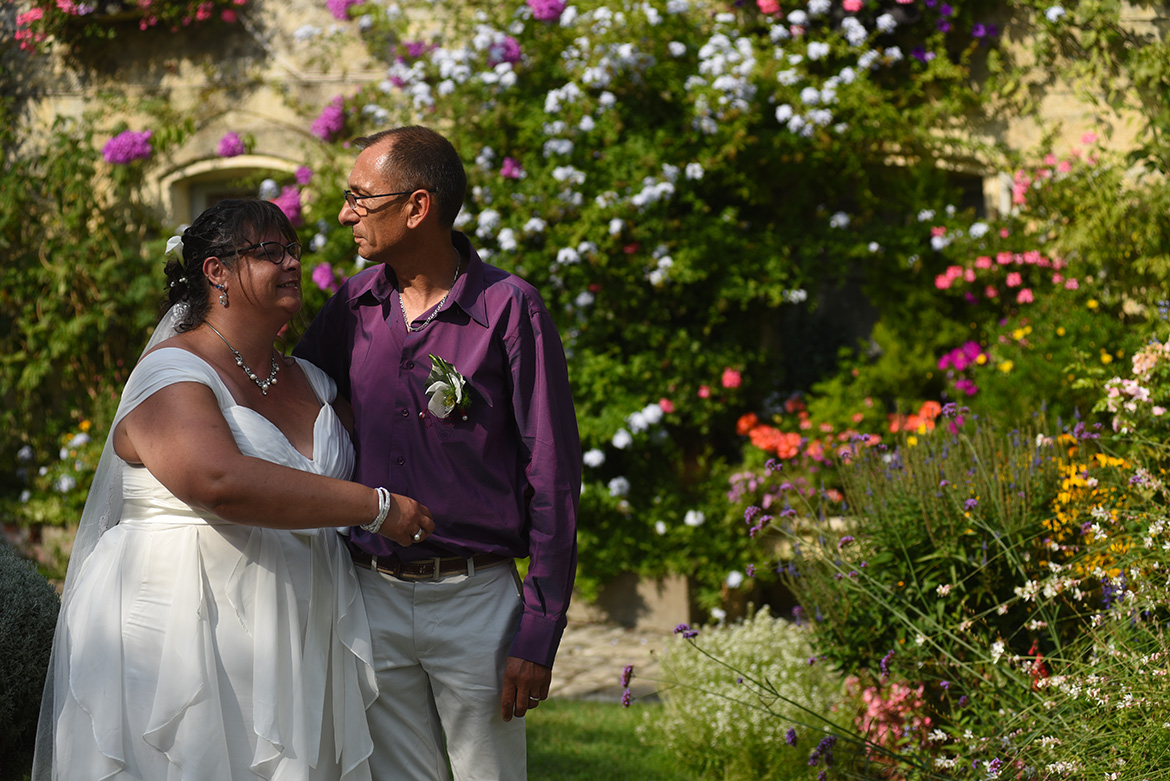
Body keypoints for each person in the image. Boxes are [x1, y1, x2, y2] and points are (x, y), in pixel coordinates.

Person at [32, 198, 435, 780]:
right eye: (271, 253)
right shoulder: (171, 372)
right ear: (215, 271)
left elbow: (398, 450)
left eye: (293, 250)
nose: (292, 263)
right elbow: (217, 481)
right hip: (185, 620)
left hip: (301, 624)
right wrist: (375, 509)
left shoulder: (313, 381)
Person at [294, 126, 581, 780]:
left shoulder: (510, 310)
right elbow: (292, 404)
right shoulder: (351, 307)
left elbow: (554, 480)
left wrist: (538, 630)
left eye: (360, 197)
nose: (345, 213)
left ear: (417, 206)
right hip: (370, 596)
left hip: (475, 603)